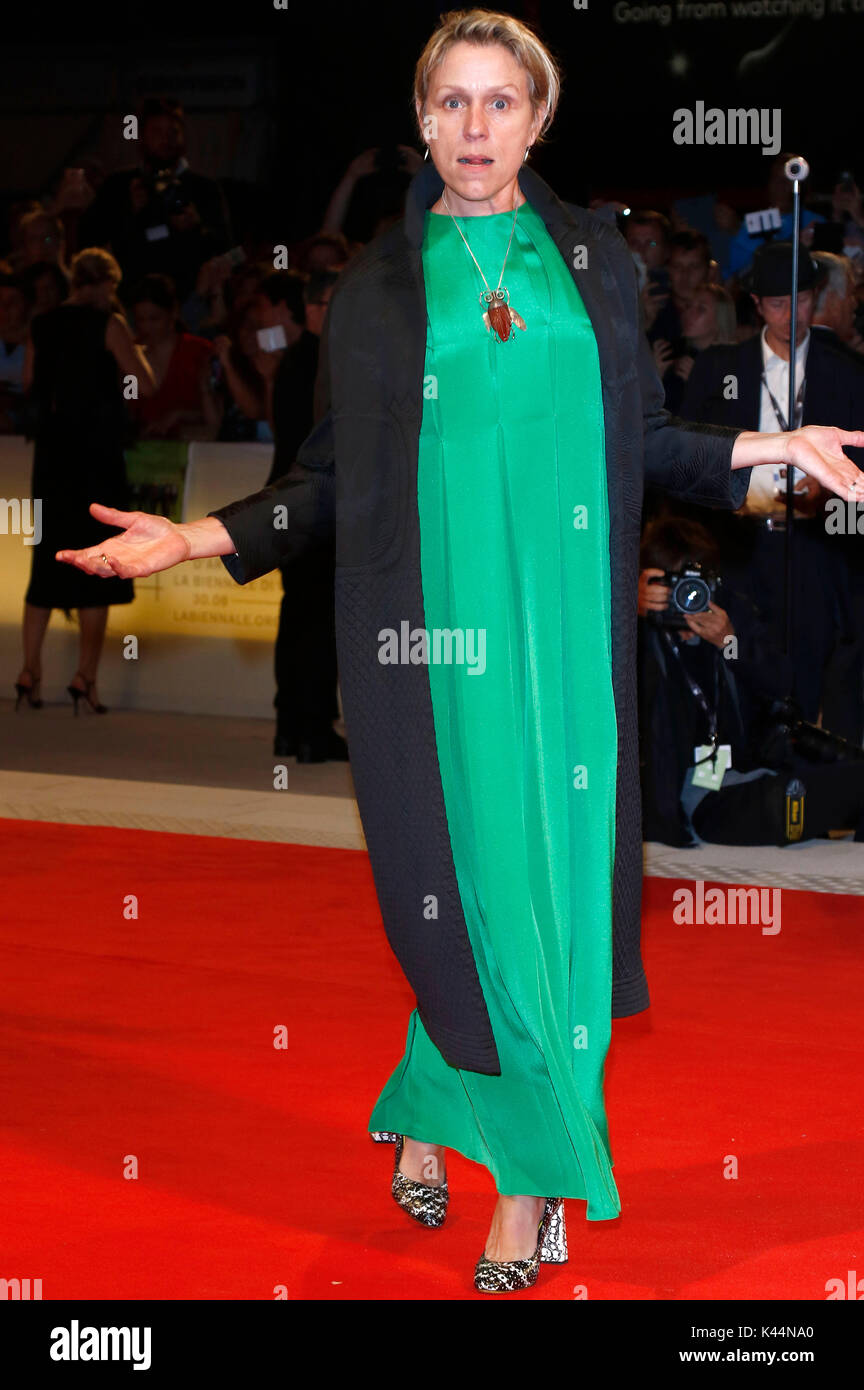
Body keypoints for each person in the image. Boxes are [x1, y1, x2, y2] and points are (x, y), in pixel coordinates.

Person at [55, 10, 864, 1293]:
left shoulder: (595, 259)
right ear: (422, 119)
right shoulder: (377, 290)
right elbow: (329, 479)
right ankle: (517, 1155)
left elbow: (647, 442)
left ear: (538, 120)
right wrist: (201, 537)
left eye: (502, 103)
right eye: (453, 103)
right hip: (437, 646)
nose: (476, 128)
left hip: (566, 644)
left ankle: (495, 1149)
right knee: (473, 894)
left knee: (554, 901)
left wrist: (767, 450)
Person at [681, 240, 864, 736]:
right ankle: (745, 780)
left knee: (808, 678)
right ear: (757, 306)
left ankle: (800, 784)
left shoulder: (845, 371)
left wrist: (826, 502)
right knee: (742, 669)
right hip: (740, 542)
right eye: (778, 304)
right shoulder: (722, 368)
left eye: (801, 299)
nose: (791, 314)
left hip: (813, 549)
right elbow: (687, 456)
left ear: (815, 297)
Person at [637, 516, 864, 848]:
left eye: (696, 582)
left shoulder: (728, 617)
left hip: (752, 776)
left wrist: (729, 642)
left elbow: (781, 682)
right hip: (699, 804)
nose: (687, 596)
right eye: (672, 584)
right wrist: (627, 605)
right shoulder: (634, 633)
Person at [16, 248, 155, 714]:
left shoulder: (42, 323)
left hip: (52, 460)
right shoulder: (107, 324)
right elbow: (142, 382)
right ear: (109, 284)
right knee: (100, 564)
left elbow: (32, 382)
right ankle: (84, 677)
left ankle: (29, 671)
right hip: (96, 457)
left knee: (44, 566)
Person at [79, 97, 231, 304]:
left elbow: (228, 249)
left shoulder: (205, 188)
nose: (166, 139)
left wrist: (197, 228)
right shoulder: (118, 185)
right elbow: (90, 242)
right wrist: (131, 212)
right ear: (142, 137)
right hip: (130, 301)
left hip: (188, 302)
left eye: (173, 132)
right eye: (157, 132)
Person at [129, 274, 219, 440]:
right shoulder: (131, 357)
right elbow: (130, 407)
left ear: (174, 313)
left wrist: (180, 415)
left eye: (154, 319)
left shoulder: (199, 352)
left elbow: (218, 414)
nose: (147, 327)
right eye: (141, 320)